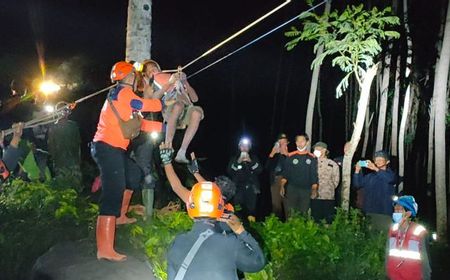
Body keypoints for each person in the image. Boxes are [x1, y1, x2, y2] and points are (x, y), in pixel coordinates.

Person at [90, 61, 162, 261]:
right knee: (113, 191)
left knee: (133, 174)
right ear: (129, 77)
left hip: (113, 149)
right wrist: (163, 95)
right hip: (106, 148)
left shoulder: (121, 96)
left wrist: (162, 129)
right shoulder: (124, 93)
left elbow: (139, 123)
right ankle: (104, 249)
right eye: (134, 75)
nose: (136, 77)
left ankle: (120, 216)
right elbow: (149, 105)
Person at [166, 181, 266, 280]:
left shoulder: (177, 242)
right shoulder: (230, 243)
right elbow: (258, 262)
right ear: (221, 207)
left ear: (189, 206)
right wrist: (241, 231)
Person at [150, 60, 204, 163]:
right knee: (178, 105)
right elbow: (154, 98)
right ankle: (168, 146)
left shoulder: (174, 78)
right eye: (149, 70)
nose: (152, 70)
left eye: (154, 67)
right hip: (170, 107)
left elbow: (195, 99)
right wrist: (169, 83)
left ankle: (182, 152)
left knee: (197, 112)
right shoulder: (154, 83)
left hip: (185, 109)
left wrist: (185, 82)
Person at [386, 195, 431, 280]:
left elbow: (426, 262)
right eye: (395, 210)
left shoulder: (419, 232)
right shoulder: (392, 230)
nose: (396, 213)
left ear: (408, 213)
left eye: (399, 210)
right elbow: (387, 255)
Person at [353, 150, 397, 231]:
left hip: (384, 213)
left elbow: (390, 179)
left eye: (380, 159)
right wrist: (357, 171)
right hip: (369, 212)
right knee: (369, 239)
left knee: (382, 239)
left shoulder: (391, 175)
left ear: (387, 162)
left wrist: (375, 169)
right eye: (376, 160)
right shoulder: (370, 176)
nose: (378, 162)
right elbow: (357, 185)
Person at [280, 133, 318, 217]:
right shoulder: (290, 156)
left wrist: (314, 189)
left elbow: (314, 176)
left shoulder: (312, 158)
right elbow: (286, 174)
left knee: (303, 213)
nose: (300, 143)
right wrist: (282, 186)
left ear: (307, 142)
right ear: (296, 143)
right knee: (291, 213)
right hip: (292, 189)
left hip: (306, 190)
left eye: (302, 140)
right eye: (298, 141)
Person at [227, 137, 262, 222]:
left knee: (251, 210)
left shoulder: (254, 158)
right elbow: (229, 171)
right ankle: (239, 226)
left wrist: (250, 161)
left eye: (246, 146)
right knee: (238, 208)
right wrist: (238, 162)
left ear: (249, 148)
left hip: (251, 188)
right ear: (239, 147)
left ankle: (252, 227)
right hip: (238, 188)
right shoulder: (234, 158)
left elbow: (260, 170)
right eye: (242, 146)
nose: (244, 148)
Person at [310, 142, 340, 223]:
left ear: (324, 150)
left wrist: (329, 188)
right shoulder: (311, 163)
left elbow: (336, 180)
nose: (316, 151)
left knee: (328, 220)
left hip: (328, 196)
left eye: (318, 149)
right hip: (315, 196)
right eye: (315, 149)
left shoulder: (333, 164)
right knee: (315, 220)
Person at [265, 133, 289, 219]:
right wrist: (272, 154)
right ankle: (276, 224)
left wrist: (286, 154)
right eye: (280, 143)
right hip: (275, 180)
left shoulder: (290, 155)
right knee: (276, 204)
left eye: (284, 142)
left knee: (287, 204)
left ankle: (290, 225)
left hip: (287, 181)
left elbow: (293, 168)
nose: (282, 144)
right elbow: (266, 168)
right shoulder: (274, 155)